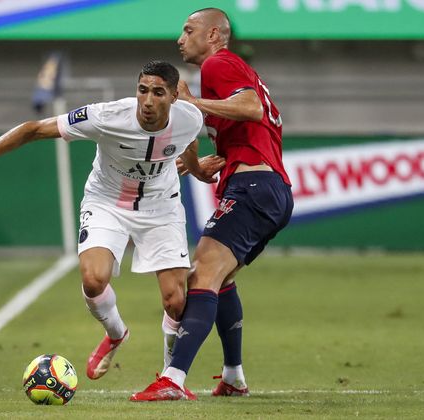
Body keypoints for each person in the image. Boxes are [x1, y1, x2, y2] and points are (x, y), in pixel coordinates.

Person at [0, 61, 224, 384]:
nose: (147, 101)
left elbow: (188, 143)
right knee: (93, 279)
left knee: (176, 301)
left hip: (161, 206)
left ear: (174, 96)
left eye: (158, 93)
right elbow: (33, 129)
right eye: (142, 90)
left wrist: (197, 169)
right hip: (107, 202)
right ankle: (115, 333)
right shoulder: (106, 116)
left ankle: (168, 380)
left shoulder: (190, 117)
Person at [131, 8, 294, 401]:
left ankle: (172, 379)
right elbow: (248, 126)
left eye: (189, 30)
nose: (180, 38)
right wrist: (198, 163)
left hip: (254, 187)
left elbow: (252, 108)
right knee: (221, 279)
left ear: (215, 34)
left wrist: (193, 100)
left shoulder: (220, 64)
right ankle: (233, 377)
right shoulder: (226, 70)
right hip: (265, 187)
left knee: (201, 273)